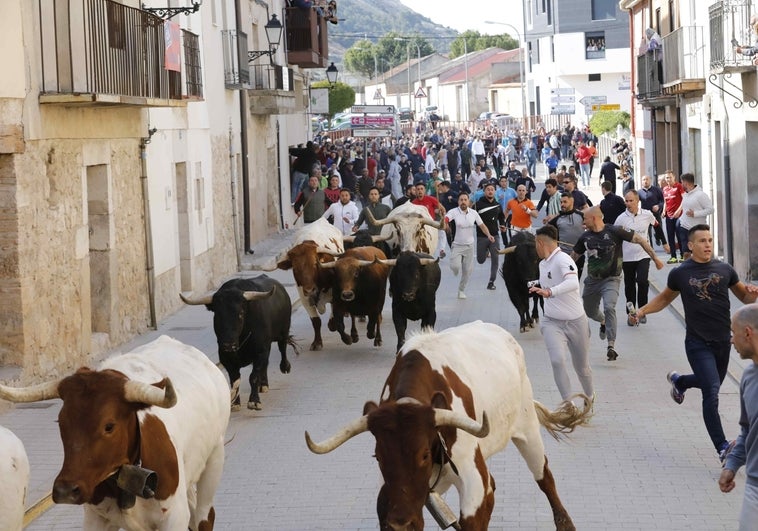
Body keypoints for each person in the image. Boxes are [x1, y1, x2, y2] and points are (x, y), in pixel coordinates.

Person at [633, 225, 758, 463]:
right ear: (691, 245)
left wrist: (753, 291)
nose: (708, 244)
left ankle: (680, 381)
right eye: (702, 241)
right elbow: (663, 299)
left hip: (723, 341)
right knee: (711, 392)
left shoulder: (724, 269)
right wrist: (641, 311)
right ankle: (722, 447)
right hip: (697, 342)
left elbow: (744, 297)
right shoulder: (680, 273)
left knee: (711, 383)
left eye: (710, 240)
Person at [571, 206, 663, 361]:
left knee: (609, 306)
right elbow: (574, 256)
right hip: (592, 281)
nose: (583, 222)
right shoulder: (585, 237)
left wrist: (655, 258)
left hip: (611, 279)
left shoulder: (615, 231)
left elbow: (640, 239)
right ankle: (603, 321)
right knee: (589, 311)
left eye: (585, 219)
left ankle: (611, 345)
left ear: (594, 218)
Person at [530, 225, 594, 402]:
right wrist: (536, 286)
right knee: (557, 361)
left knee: (582, 368)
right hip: (551, 322)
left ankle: (589, 397)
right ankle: (568, 404)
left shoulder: (563, 259)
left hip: (576, 322)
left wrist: (550, 292)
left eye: (535, 244)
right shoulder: (543, 263)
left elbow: (572, 283)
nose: (535, 248)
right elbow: (550, 280)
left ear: (541, 243)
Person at [719, 303, 758, 529]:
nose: (731, 340)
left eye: (733, 334)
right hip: (755, 489)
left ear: (747, 333)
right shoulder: (748, 378)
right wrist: (731, 465)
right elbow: (747, 430)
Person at [614, 190, 665, 324]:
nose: (628, 203)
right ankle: (631, 315)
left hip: (643, 255)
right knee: (629, 286)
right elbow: (615, 237)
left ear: (638, 201)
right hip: (627, 257)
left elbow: (657, 226)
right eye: (626, 201)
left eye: (631, 201)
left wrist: (664, 243)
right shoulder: (620, 219)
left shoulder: (647, 215)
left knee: (642, 281)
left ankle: (642, 311)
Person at [445, 192, 495, 299]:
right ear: (458, 201)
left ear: (468, 201)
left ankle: (461, 290)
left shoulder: (474, 213)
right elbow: (447, 218)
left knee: (467, 271)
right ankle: (455, 268)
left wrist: (489, 235)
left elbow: (482, 225)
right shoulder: (454, 212)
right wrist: (445, 221)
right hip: (457, 245)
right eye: (461, 200)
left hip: (469, 246)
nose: (463, 202)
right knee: (455, 266)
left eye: (465, 200)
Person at [474, 182, 506, 290]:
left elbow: (501, 218)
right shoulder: (478, 205)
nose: (490, 191)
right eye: (488, 189)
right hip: (481, 237)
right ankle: (485, 251)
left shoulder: (498, 205)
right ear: (484, 191)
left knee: (495, 259)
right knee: (480, 260)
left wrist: (503, 225)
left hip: (495, 236)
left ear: (495, 191)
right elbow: (473, 220)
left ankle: (491, 281)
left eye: (492, 189)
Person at [675, 173, 714, 261]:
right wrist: (679, 214)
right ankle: (687, 271)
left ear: (686, 183)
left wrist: (695, 214)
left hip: (697, 229)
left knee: (699, 253)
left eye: (682, 182)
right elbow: (684, 207)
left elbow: (711, 209)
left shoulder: (701, 195)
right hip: (684, 227)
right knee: (686, 253)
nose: (681, 185)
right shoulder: (685, 194)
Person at [549, 192, 586, 279]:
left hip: (579, 256)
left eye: (565, 202)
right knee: (564, 282)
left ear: (572, 201)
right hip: (563, 257)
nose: (562, 204)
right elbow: (547, 233)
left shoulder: (581, 216)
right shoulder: (557, 219)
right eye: (561, 202)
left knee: (576, 282)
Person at [638, 174, 668, 250]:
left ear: (650, 180)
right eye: (644, 180)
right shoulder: (639, 192)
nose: (645, 181)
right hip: (645, 216)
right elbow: (635, 202)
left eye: (647, 179)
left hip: (655, 214)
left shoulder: (656, 190)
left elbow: (662, 201)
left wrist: (658, 206)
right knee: (647, 233)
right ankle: (651, 249)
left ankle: (657, 237)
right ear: (641, 182)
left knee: (658, 230)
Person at [663, 170, 685, 263]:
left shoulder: (679, 186)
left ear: (674, 177)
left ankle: (683, 255)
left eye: (670, 177)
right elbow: (665, 201)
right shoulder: (664, 189)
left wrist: (679, 210)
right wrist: (664, 211)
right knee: (670, 236)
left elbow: (685, 199)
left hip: (679, 216)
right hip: (669, 216)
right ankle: (673, 256)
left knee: (680, 235)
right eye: (667, 177)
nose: (668, 179)